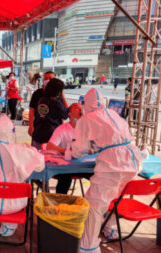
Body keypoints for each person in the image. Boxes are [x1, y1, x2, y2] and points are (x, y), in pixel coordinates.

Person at [72, 88, 142, 253]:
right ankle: (110, 227)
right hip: (133, 157)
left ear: (85, 104)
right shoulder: (112, 113)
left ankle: (88, 247)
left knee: (95, 203)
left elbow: (78, 149)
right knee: (114, 196)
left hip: (114, 163)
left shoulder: (87, 118)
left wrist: (74, 151)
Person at [45, 103, 93, 194]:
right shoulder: (62, 129)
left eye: (80, 107)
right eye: (76, 107)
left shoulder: (86, 129)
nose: (79, 109)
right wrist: (67, 151)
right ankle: (60, 204)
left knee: (97, 176)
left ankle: (93, 204)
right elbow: (49, 146)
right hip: (65, 167)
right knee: (65, 179)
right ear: (69, 114)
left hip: (81, 166)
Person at [28, 71, 68, 144]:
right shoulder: (38, 94)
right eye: (46, 78)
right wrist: (31, 126)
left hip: (50, 132)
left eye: (50, 78)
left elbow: (63, 116)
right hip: (44, 131)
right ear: (43, 80)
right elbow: (32, 110)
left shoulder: (54, 97)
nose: (48, 80)